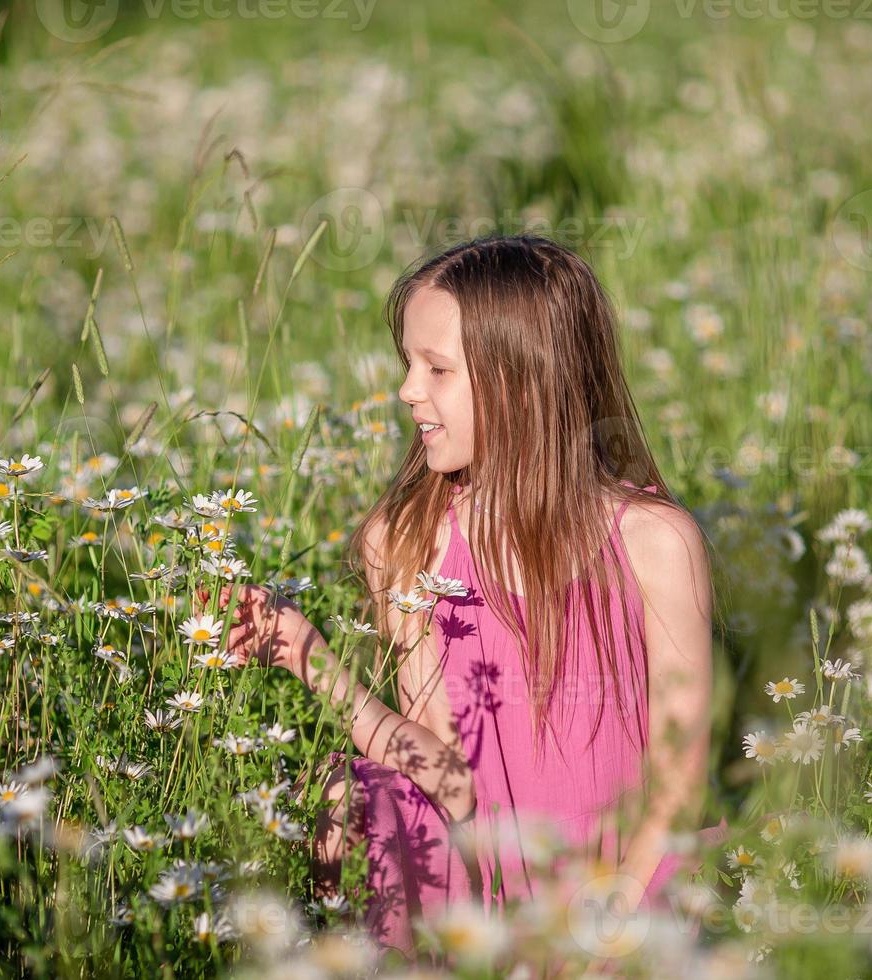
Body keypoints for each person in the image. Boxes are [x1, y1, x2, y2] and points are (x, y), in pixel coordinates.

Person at [220, 235, 726, 967]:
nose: (406, 391)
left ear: (523, 383)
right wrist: (312, 659)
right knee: (350, 790)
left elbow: (677, 789)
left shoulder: (653, 543)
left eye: (436, 369)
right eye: (408, 364)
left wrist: (600, 943)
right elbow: (446, 780)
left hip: (627, 889)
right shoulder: (408, 541)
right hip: (478, 901)